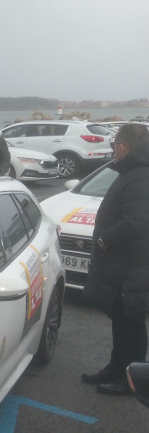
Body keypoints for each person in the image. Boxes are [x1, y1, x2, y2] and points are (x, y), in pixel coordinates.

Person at [81, 123, 149, 396]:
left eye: (114, 146)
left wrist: (103, 239)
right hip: (126, 266)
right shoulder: (135, 172)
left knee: (130, 325)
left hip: (131, 268)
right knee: (121, 323)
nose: (114, 151)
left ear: (122, 146)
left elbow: (137, 222)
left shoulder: (140, 175)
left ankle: (130, 380)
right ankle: (116, 368)